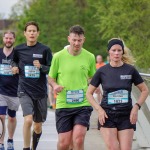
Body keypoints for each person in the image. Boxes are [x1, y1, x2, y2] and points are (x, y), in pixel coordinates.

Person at [86, 38, 149, 150]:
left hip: (126, 115)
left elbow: (145, 90)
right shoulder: (102, 71)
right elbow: (89, 93)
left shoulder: (130, 70)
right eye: (113, 50)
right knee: (113, 148)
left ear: (122, 52)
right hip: (107, 115)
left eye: (119, 50)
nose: (116, 53)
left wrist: (136, 107)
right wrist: (99, 109)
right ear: (109, 52)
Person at [48, 25, 96, 150]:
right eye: (74, 40)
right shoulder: (58, 56)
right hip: (64, 104)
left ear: (83, 40)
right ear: (69, 39)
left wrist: (93, 86)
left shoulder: (90, 57)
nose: (76, 43)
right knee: (64, 143)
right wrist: (55, 85)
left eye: (79, 40)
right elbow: (51, 77)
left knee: (78, 139)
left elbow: (92, 77)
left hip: (83, 104)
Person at [11, 21, 53, 150]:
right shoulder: (18, 49)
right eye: (29, 31)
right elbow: (14, 61)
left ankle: (34, 147)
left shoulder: (45, 50)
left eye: (34, 31)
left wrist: (41, 67)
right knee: (28, 120)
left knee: (38, 126)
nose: (32, 33)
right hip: (24, 89)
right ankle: (26, 148)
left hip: (40, 92)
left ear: (38, 33)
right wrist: (14, 67)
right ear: (25, 33)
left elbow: (51, 69)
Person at [0, 31, 20, 150]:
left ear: (14, 40)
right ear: (3, 39)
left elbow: (23, 68)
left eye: (10, 38)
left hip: (14, 91)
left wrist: (18, 70)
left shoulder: (17, 54)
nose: (8, 40)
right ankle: (1, 142)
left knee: (12, 117)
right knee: (1, 116)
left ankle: (10, 140)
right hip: (1, 90)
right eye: (6, 38)